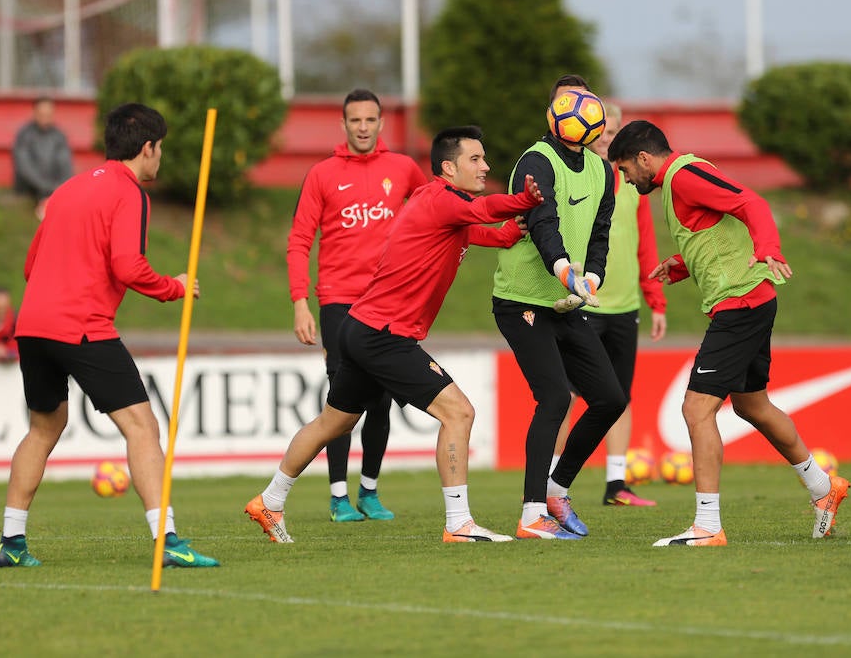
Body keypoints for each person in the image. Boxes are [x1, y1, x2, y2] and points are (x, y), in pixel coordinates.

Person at [245, 125, 541, 544]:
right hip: (384, 335)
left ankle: (269, 501)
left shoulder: (438, 204)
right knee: (459, 413)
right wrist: (523, 202)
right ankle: (458, 524)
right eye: (475, 159)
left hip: (360, 328)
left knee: (334, 421)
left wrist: (512, 231)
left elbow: (475, 229)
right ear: (447, 167)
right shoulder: (442, 198)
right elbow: (485, 211)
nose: (485, 166)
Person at [0, 102, 218, 568]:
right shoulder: (130, 194)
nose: (160, 159)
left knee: (43, 428)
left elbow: (30, 265)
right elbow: (128, 267)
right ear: (149, 147)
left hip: (32, 325)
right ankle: (167, 542)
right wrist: (174, 287)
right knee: (143, 426)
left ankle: (11, 544)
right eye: (161, 149)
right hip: (81, 325)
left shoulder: (69, 188)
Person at [607, 119, 851, 546]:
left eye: (626, 169)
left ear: (644, 159)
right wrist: (680, 265)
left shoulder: (683, 175)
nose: (627, 179)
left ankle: (707, 526)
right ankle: (822, 488)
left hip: (741, 304)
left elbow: (751, 204)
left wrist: (769, 248)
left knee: (696, 408)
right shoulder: (679, 180)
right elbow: (714, 227)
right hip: (750, 301)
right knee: (752, 406)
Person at [492, 74, 627, 540]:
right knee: (553, 398)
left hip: (567, 302)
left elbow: (602, 229)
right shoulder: (536, 159)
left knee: (611, 398)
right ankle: (531, 515)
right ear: (556, 112)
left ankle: (556, 488)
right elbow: (541, 219)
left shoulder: (602, 169)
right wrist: (564, 270)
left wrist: (591, 275)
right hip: (522, 299)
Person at [287, 88, 427, 523]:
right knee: (342, 400)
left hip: (388, 300)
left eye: (370, 120)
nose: (363, 127)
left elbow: (435, 212)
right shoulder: (322, 174)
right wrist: (300, 303)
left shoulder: (403, 169)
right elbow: (298, 242)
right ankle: (337, 497)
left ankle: (369, 491)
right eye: (355, 121)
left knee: (382, 398)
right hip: (339, 302)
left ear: (381, 124)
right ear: (344, 125)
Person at [550, 102, 667, 507]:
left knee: (621, 395)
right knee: (564, 396)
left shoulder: (636, 186)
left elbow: (646, 245)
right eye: (602, 129)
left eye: (613, 131)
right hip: (583, 306)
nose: (606, 136)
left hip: (624, 307)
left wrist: (656, 300)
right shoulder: (576, 181)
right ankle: (547, 482)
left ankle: (616, 485)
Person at [12, 97, 74, 220]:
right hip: (30, 188)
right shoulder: (25, 135)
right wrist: (46, 187)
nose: (45, 118)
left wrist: (62, 186)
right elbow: (24, 166)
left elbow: (65, 163)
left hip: (55, 187)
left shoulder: (59, 136)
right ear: (35, 113)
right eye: (42, 114)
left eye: (48, 114)